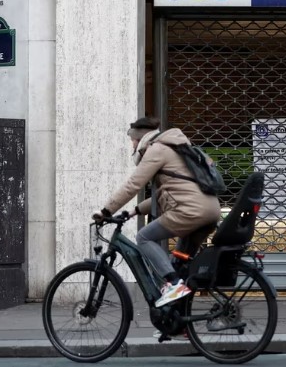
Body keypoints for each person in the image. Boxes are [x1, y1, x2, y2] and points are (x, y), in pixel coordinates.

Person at [93, 117, 221, 307]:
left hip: (191, 211)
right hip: (210, 211)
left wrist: (106, 210)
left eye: (132, 141)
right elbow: (168, 194)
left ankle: (173, 283)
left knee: (144, 237)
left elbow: (133, 185)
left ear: (141, 139)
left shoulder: (158, 149)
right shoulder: (176, 148)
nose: (132, 146)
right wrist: (134, 211)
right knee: (179, 265)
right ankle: (179, 325)